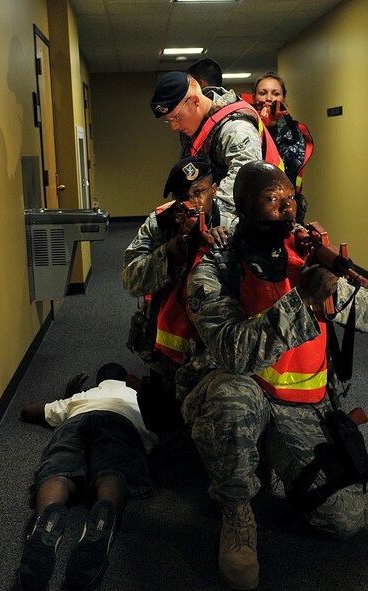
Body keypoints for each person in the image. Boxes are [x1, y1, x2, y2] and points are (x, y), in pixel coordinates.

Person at [176, 161, 368, 590]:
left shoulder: (306, 256)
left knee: (346, 518)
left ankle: (274, 455)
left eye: (290, 199)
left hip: (300, 406)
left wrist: (336, 284)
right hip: (242, 389)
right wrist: (301, 300)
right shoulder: (215, 268)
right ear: (242, 208)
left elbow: (363, 307)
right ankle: (237, 512)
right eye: (272, 200)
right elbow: (234, 350)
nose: (286, 209)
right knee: (231, 397)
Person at [123, 156, 237, 435]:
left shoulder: (235, 224)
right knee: (166, 426)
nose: (192, 203)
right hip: (167, 344)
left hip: (213, 346)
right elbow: (130, 279)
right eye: (183, 196)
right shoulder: (159, 223)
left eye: (199, 192)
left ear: (214, 189)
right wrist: (171, 252)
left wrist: (228, 250)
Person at [19, 363, 157, 591]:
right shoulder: (137, 396)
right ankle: (105, 514)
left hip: (76, 421)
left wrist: (66, 398)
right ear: (125, 379)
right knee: (114, 470)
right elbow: (164, 425)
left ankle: (46, 519)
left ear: (98, 382)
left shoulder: (82, 396)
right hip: (120, 422)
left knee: (59, 471)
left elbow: (27, 411)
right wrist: (144, 392)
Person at [150, 71, 282, 213]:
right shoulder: (196, 127)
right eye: (168, 121)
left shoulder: (236, 129)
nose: (173, 127)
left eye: (175, 118)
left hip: (262, 215)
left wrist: (201, 209)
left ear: (195, 101)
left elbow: (244, 184)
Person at [252, 71, 313, 224]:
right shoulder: (247, 128)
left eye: (275, 93)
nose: (269, 98)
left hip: (286, 208)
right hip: (253, 209)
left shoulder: (292, 130)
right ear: (254, 98)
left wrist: (278, 122)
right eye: (262, 93)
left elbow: (292, 163)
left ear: (283, 99)